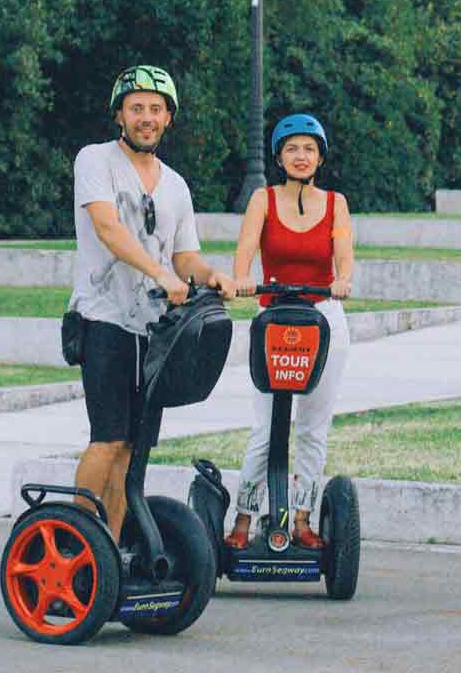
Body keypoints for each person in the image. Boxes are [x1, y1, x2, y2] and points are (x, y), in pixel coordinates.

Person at [69, 65, 232, 538]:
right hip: (103, 320)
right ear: (119, 115)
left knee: (133, 449)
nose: (146, 117)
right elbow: (107, 227)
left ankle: (112, 550)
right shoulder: (95, 160)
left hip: (156, 332)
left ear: (168, 119)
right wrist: (158, 272)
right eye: (136, 108)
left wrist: (209, 275)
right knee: (107, 439)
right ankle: (74, 538)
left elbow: (185, 257)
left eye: (155, 109)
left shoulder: (176, 185)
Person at [226, 114, 356, 551]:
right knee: (265, 430)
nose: (301, 157)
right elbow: (244, 252)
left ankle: (301, 518)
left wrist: (342, 279)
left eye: (309, 149)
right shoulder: (262, 200)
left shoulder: (336, 202)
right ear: (280, 156)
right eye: (292, 149)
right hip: (273, 319)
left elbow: (345, 256)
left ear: (320, 156)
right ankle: (243, 518)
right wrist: (243, 277)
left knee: (313, 429)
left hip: (323, 317)